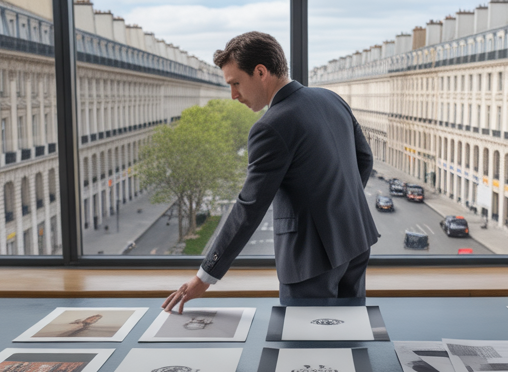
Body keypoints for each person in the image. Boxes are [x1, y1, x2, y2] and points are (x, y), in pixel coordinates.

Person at [162, 31, 378, 313]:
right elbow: (364, 160)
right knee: (349, 335)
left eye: (236, 83)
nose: (233, 95)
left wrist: (205, 276)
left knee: (308, 351)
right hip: (355, 242)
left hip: (310, 260)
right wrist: (336, 208)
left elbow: (249, 207)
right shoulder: (330, 99)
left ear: (261, 72)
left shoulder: (271, 126)